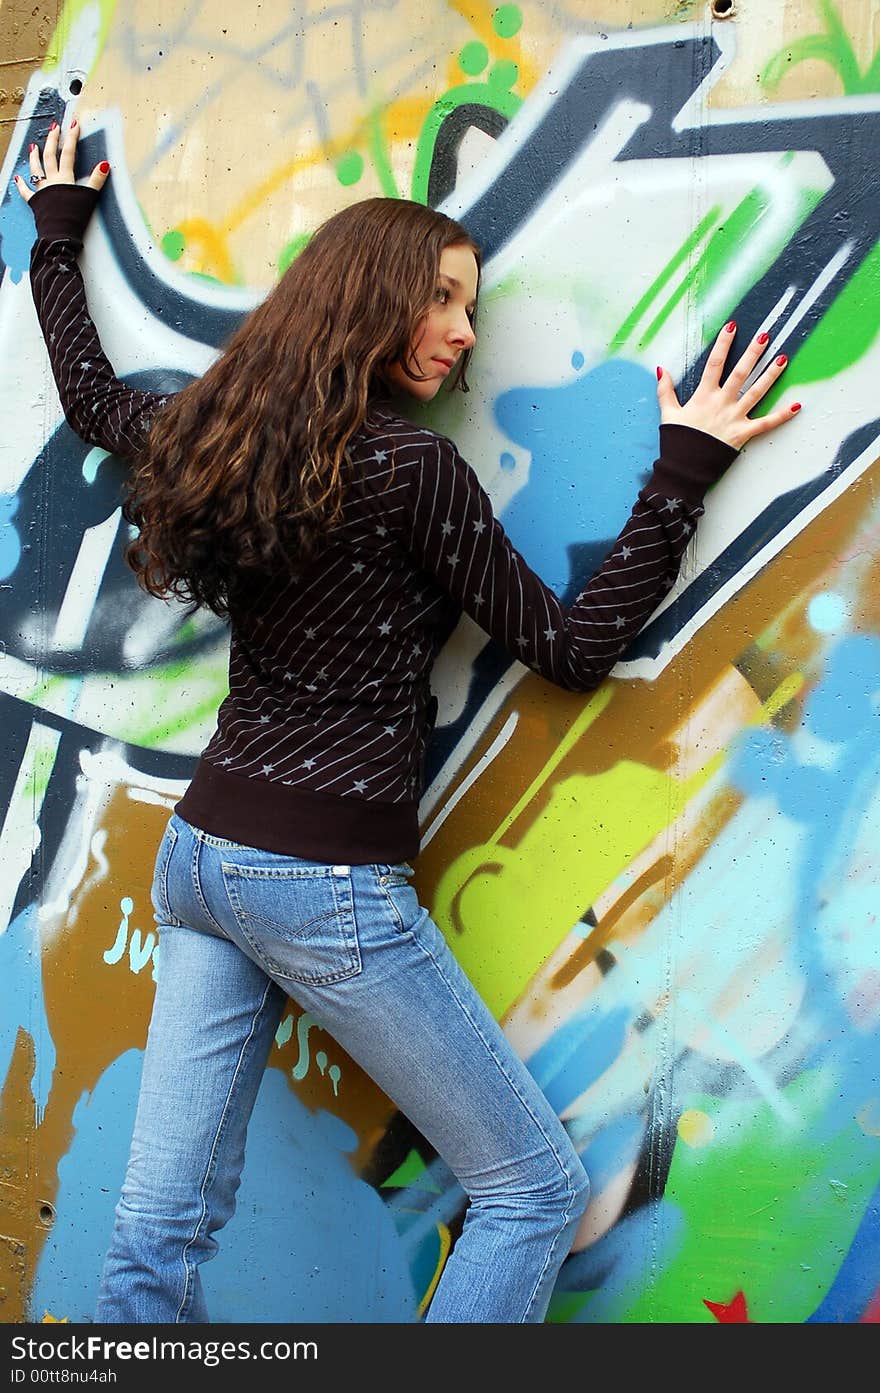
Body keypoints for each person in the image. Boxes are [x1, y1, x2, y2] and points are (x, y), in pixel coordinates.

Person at [15, 120, 801, 1326]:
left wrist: (57, 232)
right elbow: (571, 650)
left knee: (158, 1223)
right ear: (371, 297)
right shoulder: (409, 473)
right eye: (442, 299)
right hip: (319, 884)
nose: (464, 332)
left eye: (469, 306)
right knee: (533, 1188)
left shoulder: (220, 436)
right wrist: (682, 465)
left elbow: (85, 394)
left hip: (204, 854)